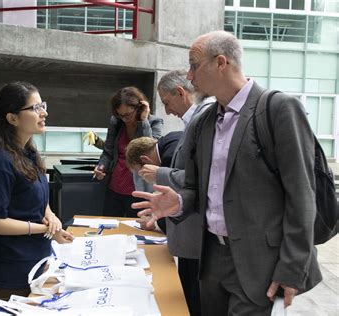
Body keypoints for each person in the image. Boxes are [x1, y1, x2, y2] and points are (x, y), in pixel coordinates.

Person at [132, 31, 322, 315]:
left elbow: (302, 195)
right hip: (211, 261)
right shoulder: (204, 122)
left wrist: (293, 266)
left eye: (194, 65)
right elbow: (198, 188)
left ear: (221, 62)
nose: (190, 75)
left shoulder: (278, 109)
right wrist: (179, 202)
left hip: (259, 264)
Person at [0, 81, 74, 300]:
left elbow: (36, 198)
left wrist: (51, 218)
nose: (44, 113)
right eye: (35, 108)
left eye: (43, 105)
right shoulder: (0, 162)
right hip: (11, 271)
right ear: (12, 118)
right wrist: (43, 229)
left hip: (36, 262)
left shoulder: (27, 152)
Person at [132, 70, 214, 316]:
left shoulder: (205, 116)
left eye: (167, 103)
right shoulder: (192, 122)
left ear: (181, 92)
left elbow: (202, 180)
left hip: (202, 236)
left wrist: (161, 174)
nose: (167, 112)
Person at [94, 86, 163, 218]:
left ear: (139, 107)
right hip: (115, 184)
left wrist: (143, 121)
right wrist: (101, 166)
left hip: (140, 186)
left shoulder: (154, 122)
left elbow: (150, 151)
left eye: (128, 114)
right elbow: (108, 151)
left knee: (137, 228)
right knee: (110, 225)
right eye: (121, 115)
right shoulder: (116, 121)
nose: (125, 118)